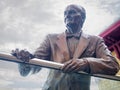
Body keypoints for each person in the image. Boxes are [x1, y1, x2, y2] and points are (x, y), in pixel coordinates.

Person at [12, 4, 119, 90]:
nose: (67, 15)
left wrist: (86, 63)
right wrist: (23, 59)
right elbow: (29, 69)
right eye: (65, 13)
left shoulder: (95, 41)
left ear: (82, 17)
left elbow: (113, 65)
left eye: (72, 12)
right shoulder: (51, 39)